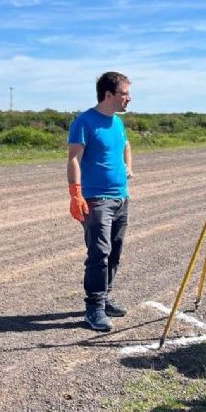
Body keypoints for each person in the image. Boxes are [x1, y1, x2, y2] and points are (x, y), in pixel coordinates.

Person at [67, 71, 134, 332]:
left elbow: (126, 146)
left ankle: (105, 297)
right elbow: (74, 158)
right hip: (96, 200)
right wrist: (75, 193)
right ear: (109, 95)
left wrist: (128, 166)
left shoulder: (117, 122)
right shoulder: (84, 122)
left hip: (121, 197)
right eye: (125, 93)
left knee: (115, 251)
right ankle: (93, 308)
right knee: (99, 254)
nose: (129, 98)